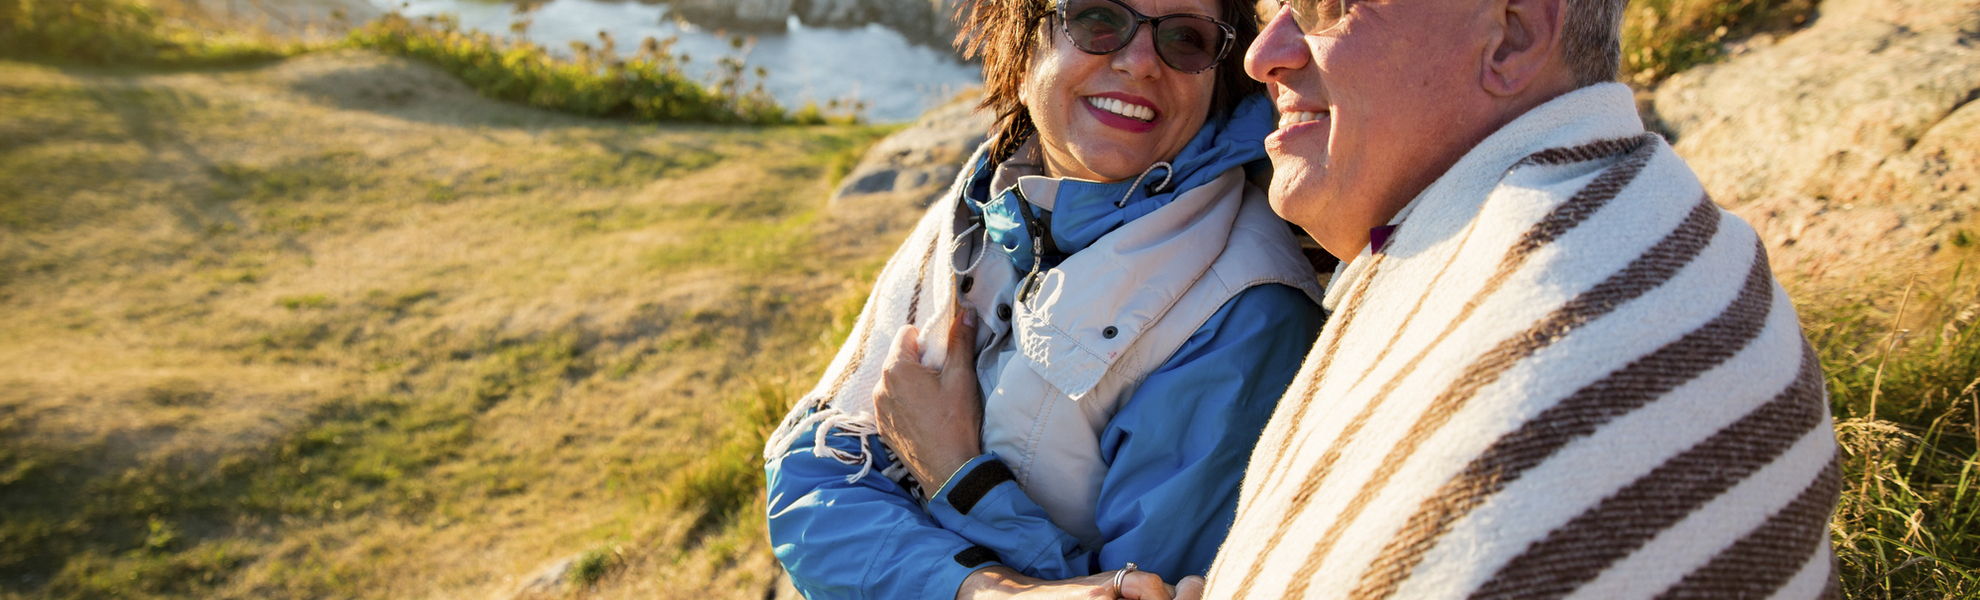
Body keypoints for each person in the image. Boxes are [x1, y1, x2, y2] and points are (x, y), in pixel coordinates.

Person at [1183, 0, 1843, 598]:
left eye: (1324, 6)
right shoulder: (1665, 231)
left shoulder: (1545, 321)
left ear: (1513, 38)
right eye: (1270, 7)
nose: (1262, 55)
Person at [760, 0, 1328, 597]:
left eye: (1186, 38)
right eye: (1098, 18)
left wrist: (957, 474)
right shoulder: (986, 198)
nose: (1139, 63)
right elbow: (810, 479)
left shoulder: (1242, 317)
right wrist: (986, 590)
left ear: (1221, 72)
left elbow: (1140, 591)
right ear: (1022, 38)